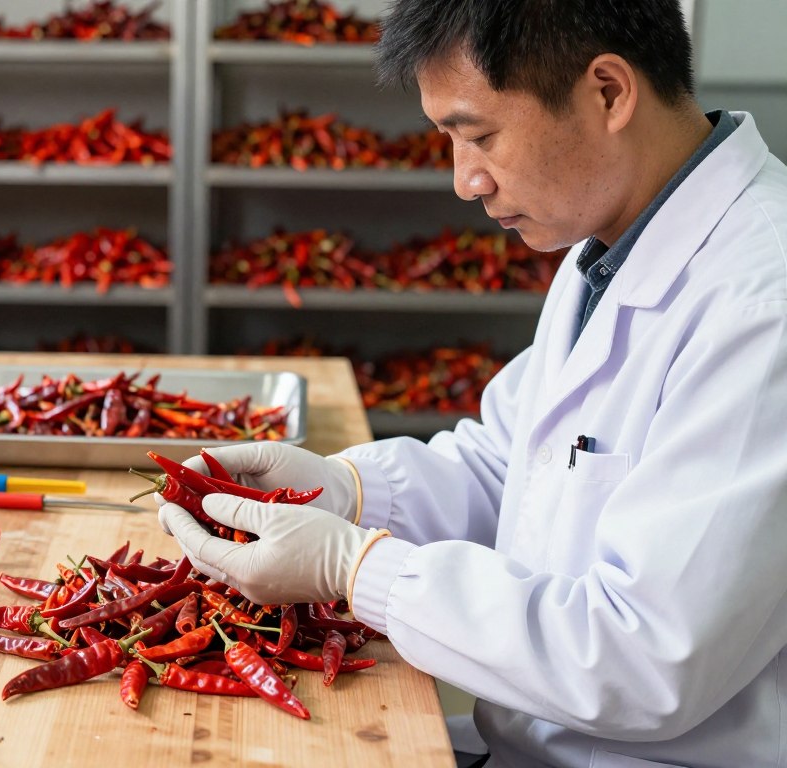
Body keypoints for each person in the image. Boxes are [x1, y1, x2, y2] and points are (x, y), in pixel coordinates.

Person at [156, 1, 787, 766]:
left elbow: (648, 659)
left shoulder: (762, 305)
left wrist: (358, 569)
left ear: (610, 93)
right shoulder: (612, 247)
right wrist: (346, 491)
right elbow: (517, 464)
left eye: (480, 135)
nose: (466, 180)